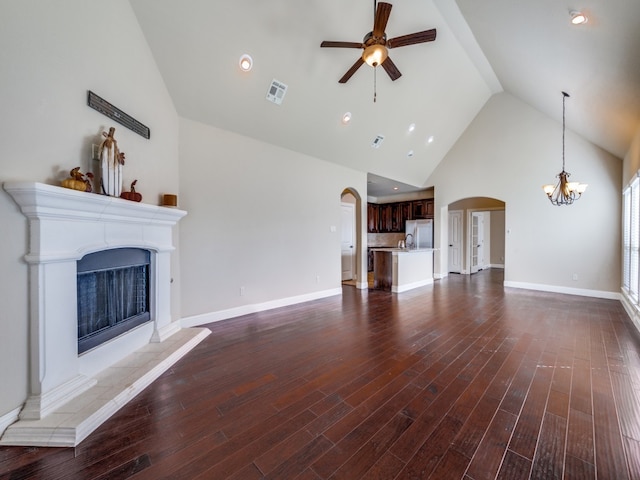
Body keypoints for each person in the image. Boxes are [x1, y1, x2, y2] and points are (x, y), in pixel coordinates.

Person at [100, 127, 125, 196]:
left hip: (116, 192)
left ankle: (114, 193)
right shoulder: (106, 150)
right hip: (107, 190)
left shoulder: (115, 148)